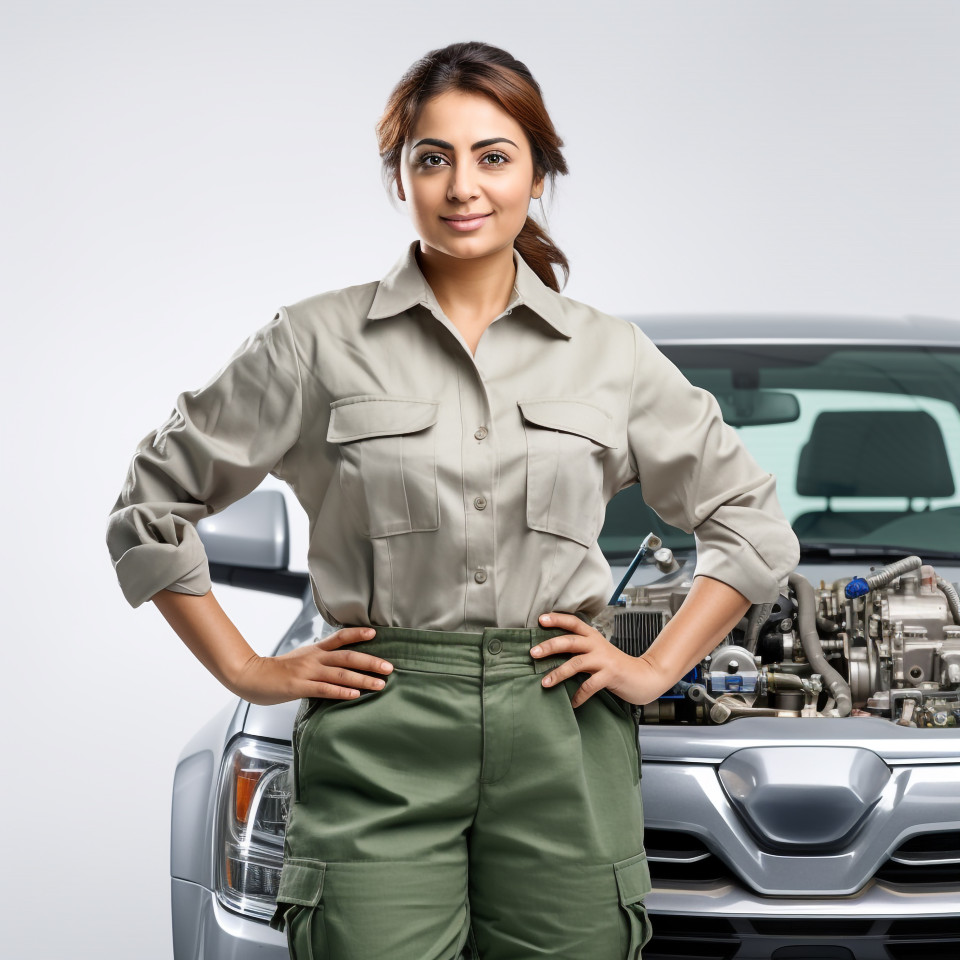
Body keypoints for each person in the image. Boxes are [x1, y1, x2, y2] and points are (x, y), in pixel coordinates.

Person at [106, 40, 800, 960]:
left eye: (494, 155)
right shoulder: (314, 344)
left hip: (560, 722)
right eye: (433, 157)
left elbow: (750, 521)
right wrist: (246, 669)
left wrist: (652, 669)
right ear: (400, 177)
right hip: (380, 719)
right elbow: (151, 503)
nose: (463, 185)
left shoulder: (610, 356)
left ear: (538, 173)